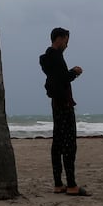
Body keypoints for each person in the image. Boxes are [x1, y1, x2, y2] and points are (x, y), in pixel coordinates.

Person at [39, 26, 87, 195]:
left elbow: (54, 78)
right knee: (69, 144)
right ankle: (72, 185)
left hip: (56, 103)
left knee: (58, 143)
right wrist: (74, 72)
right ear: (59, 39)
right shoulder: (56, 57)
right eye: (66, 41)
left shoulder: (47, 58)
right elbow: (61, 79)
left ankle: (58, 184)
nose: (67, 45)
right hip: (64, 104)